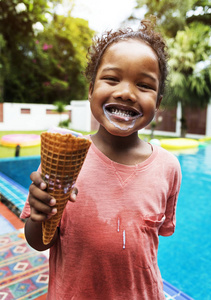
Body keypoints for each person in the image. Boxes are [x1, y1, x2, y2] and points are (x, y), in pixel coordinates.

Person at [20, 19, 182, 300]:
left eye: (144, 85)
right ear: (91, 89)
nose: (126, 93)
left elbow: (151, 242)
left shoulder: (169, 168)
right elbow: (40, 242)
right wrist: (38, 215)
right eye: (112, 78)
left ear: (157, 102)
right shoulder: (66, 162)